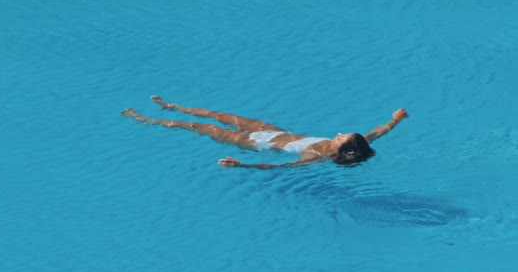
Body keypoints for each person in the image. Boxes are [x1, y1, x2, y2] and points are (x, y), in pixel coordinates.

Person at [122, 96, 409, 169]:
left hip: (254, 143)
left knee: (200, 127)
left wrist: (241, 164)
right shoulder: (358, 143)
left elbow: (278, 167)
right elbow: (376, 133)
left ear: (341, 150)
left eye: (340, 136)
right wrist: (396, 120)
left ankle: (145, 119)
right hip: (272, 131)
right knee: (219, 115)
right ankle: (172, 106)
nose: (337, 132)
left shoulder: (314, 157)